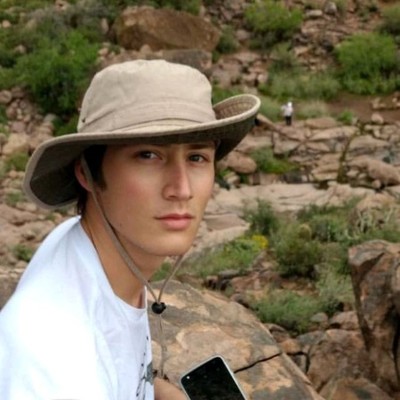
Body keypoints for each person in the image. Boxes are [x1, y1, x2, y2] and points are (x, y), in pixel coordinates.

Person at [0, 59, 260, 399]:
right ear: (86, 173)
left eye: (196, 157)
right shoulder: (56, 365)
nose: (182, 189)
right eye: (148, 155)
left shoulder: (81, 246)